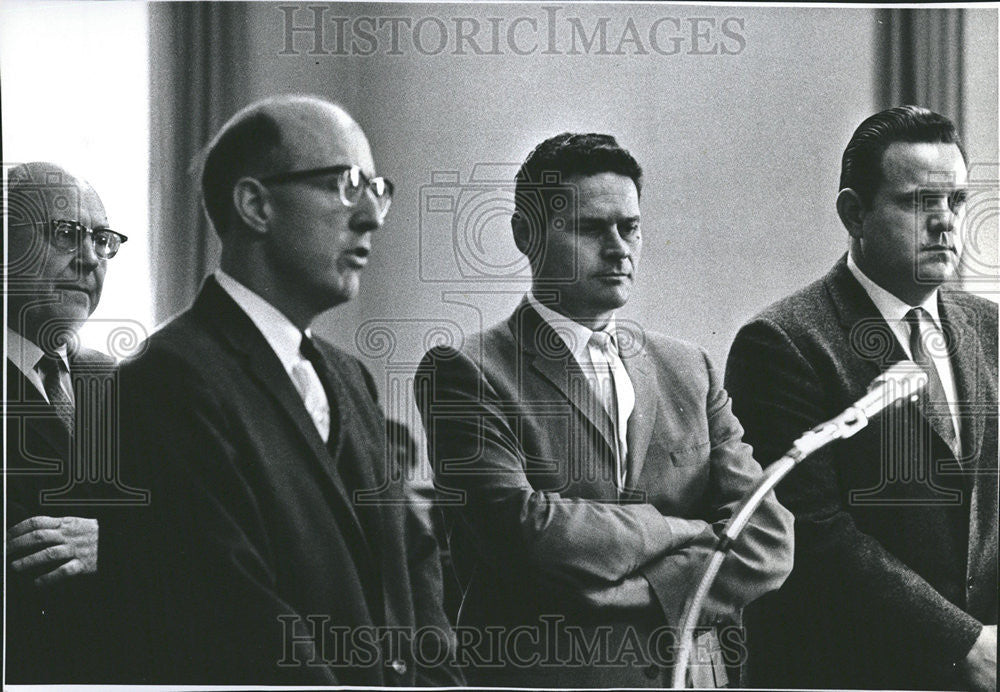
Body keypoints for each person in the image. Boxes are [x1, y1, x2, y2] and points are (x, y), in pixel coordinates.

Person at [415, 132, 794, 687]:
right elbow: (526, 533)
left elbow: (766, 538)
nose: (619, 248)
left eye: (631, 227)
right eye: (592, 229)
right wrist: (685, 530)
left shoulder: (689, 368)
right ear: (527, 235)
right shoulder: (467, 371)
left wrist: (647, 589)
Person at [109, 95, 462, 685]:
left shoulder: (351, 378)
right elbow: (237, 621)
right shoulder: (167, 379)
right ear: (255, 204)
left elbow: (413, 568)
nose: (372, 216)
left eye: (378, 189)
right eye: (347, 184)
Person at [725, 106, 997, 691]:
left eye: (955, 201)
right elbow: (812, 530)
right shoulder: (783, 341)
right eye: (918, 202)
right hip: (851, 670)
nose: (945, 223)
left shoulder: (990, 330)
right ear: (855, 212)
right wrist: (962, 640)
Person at [4, 162, 128, 681]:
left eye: (102, 240)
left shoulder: (119, 379)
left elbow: (193, 524)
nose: (89, 259)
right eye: (66, 234)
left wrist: (118, 544)